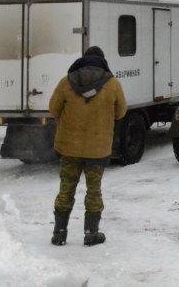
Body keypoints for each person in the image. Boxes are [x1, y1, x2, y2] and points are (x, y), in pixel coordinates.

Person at [48, 45, 127, 246]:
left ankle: (59, 233)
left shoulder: (66, 82)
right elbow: (121, 112)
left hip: (69, 147)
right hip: (98, 149)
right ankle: (91, 233)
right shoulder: (113, 84)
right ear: (102, 62)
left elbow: (53, 109)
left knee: (66, 188)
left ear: (83, 60)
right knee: (94, 190)